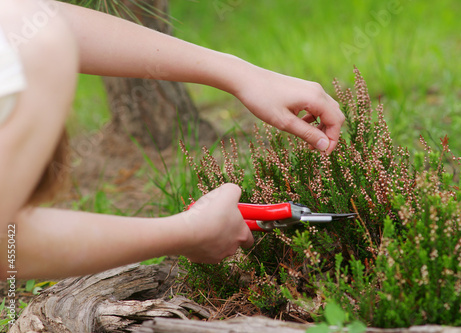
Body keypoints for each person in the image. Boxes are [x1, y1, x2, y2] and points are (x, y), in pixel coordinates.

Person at [0, 0, 345, 279]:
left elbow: (45, 20)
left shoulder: (33, 33)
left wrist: (241, 74)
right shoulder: (39, 54)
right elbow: (8, 245)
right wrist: (185, 233)